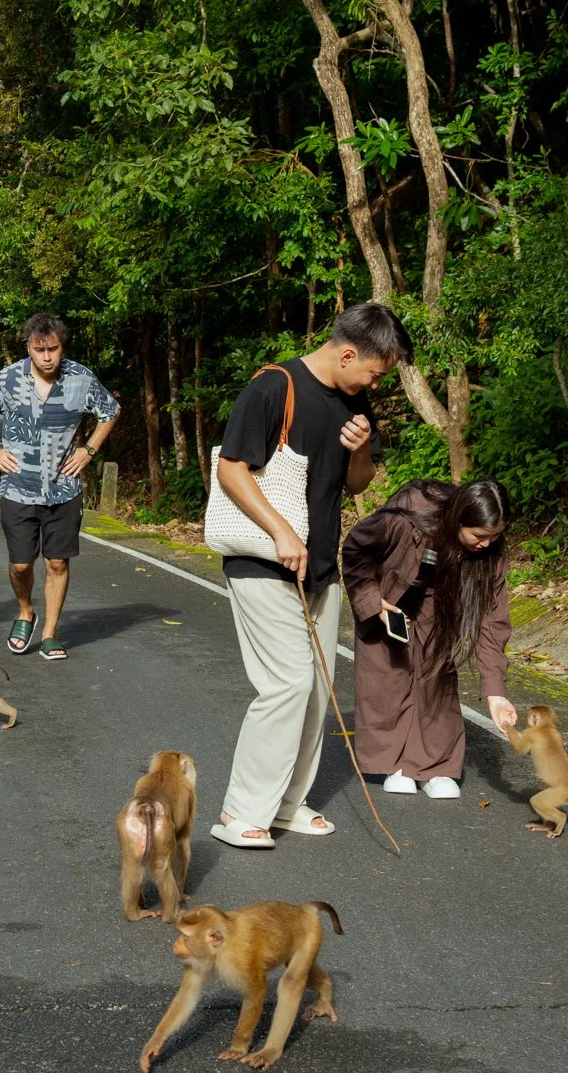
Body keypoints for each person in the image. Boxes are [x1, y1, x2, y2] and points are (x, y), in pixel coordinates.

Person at [210, 301, 411, 849]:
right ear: (348, 353)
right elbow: (232, 469)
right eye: (374, 371)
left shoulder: (354, 400)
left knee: (317, 691)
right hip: (262, 559)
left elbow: (358, 485)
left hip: (319, 564)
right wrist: (280, 531)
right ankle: (239, 812)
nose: (375, 381)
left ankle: (286, 805)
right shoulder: (273, 388)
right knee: (287, 684)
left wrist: (363, 446)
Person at [341, 478, 515, 799]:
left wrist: (495, 693)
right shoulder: (406, 519)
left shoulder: (490, 553)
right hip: (388, 589)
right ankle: (394, 763)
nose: (487, 544)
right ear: (458, 519)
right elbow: (355, 549)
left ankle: (436, 766)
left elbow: (492, 619)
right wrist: (371, 600)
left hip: (440, 598)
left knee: (436, 677)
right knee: (386, 678)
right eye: (479, 535)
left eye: (495, 536)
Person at [0, 313, 120, 661]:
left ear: (62, 346)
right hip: (18, 487)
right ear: (29, 348)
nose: (48, 357)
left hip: (64, 489)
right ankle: (25, 612)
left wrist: (88, 450)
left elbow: (110, 412)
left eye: (53, 349)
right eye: (40, 350)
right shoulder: (7, 379)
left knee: (57, 564)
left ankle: (50, 633)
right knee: (21, 564)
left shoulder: (81, 378)